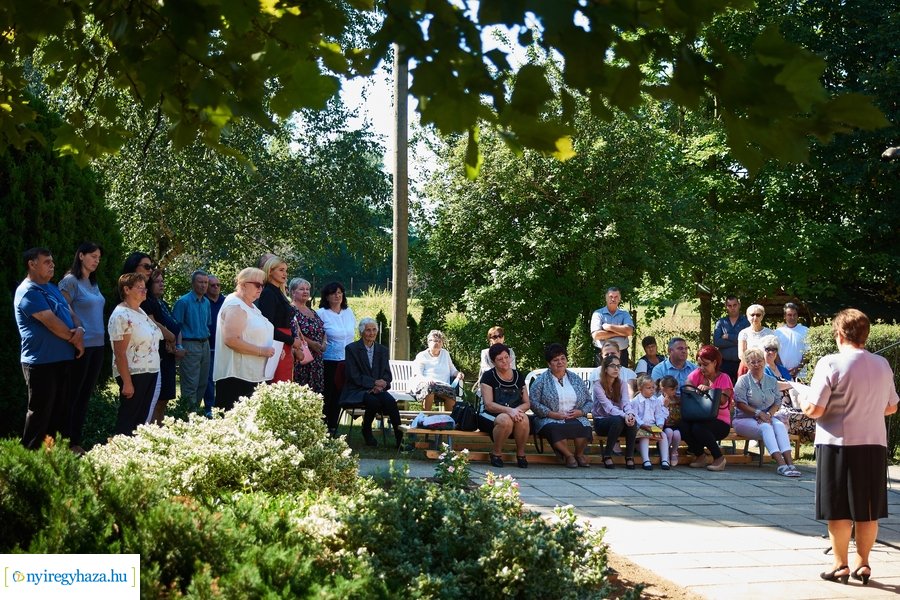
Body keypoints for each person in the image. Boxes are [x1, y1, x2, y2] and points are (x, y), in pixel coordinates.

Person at [801, 309, 898, 586]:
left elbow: (815, 409)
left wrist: (802, 399)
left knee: (839, 508)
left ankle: (840, 564)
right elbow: (891, 406)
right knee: (868, 509)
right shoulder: (882, 364)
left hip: (837, 444)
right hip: (873, 444)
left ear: (840, 334)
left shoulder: (830, 363)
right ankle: (864, 563)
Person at [14, 247, 84, 449]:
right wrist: (76, 339)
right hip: (41, 362)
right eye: (47, 261)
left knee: (59, 413)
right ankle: (31, 459)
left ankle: (53, 458)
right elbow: (51, 322)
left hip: (62, 359)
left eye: (52, 261)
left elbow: (71, 313)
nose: (52, 265)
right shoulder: (28, 291)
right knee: (40, 413)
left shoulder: (52, 288)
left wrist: (79, 329)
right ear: (32, 264)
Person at [58, 242, 105, 453]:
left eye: (99, 258)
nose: (96, 260)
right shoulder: (70, 281)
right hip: (81, 347)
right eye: (93, 256)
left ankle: (76, 442)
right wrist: (76, 324)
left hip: (98, 346)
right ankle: (64, 443)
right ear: (81, 256)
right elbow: (62, 307)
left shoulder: (93, 283)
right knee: (72, 395)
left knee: (85, 396)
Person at [213, 268, 275, 411]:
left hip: (253, 375)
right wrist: (262, 351)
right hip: (237, 377)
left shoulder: (251, 306)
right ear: (243, 284)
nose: (261, 289)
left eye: (262, 285)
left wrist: (273, 350)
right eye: (257, 285)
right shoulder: (235, 305)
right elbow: (231, 340)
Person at [108, 273, 162, 435]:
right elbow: (119, 353)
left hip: (150, 371)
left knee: (140, 420)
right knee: (128, 418)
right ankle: (118, 453)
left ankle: (134, 454)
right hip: (133, 374)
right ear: (127, 289)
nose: (145, 291)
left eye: (145, 287)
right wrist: (127, 382)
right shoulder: (121, 315)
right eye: (140, 288)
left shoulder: (140, 311)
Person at [732, 347, 800, 477]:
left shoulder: (772, 380)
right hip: (743, 419)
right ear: (747, 364)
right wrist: (758, 413)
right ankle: (781, 465)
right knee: (766, 427)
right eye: (753, 362)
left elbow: (777, 402)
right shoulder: (743, 381)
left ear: (764, 362)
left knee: (779, 425)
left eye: (759, 361)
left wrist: (768, 414)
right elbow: (740, 404)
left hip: (766, 416)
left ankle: (790, 464)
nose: (757, 365)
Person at [529, 343, 593, 468]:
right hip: (549, 417)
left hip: (575, 416)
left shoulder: (575, 379)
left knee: (585, 426)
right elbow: (533, 402)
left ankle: (579, 455)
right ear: (549, 364)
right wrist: (552, 414)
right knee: (555, 429)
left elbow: (589, 401)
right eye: (555, 360)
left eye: (563, 358)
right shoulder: (541, 381)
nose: (560, 362)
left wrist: (580, 412)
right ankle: (568, 455)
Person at [341, 318, 403, 448]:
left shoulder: (383, 350)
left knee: (391, 402)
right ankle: (367, 430)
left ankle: (400, 440)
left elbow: (387, 373)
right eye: (368, 330)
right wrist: (374, 383)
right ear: (362, 332)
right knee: (373, 401)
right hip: (357, 389)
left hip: (378, 389)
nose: (372, 333)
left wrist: (383, 384)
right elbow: (353, 375)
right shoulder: (351, 349)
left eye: (374, 329)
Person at [478, 343, 529, 468]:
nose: (505, 361)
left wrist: (515, 411)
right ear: (493, 362)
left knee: (524, 419)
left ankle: (521, 454)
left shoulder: (518, 375)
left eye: (506, 357)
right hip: (489, 414)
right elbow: (489, 405)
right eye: (500, 359)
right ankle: (496, 453)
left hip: (513, 412)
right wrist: (510, 411)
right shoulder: (488, 376)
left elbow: (527, 403)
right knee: (505, 420)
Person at [682, 345, 733, 471]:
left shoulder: (724, 378)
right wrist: (695, 389)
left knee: (699, 428)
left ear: (715, 363)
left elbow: (723, 400)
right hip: (699, 417)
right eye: (699, 364)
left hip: (720, 421)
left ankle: (719, 458)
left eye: (705, 364)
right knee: (682, 425)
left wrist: (710, 390)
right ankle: (700, 456)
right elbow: (687, 387)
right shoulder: (697, 373)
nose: (701, 368)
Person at [142, 269, 182, 424]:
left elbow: (174, 326)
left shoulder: (163, 304)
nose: (162, 284)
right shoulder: (148, 303)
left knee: (165, 398)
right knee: (157, 399)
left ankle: (159, 430)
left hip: (169, 355)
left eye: (162, 281)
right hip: (158, 353)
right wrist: (170, 338)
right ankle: (151, 430)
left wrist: (176, 343)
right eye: (157, 281)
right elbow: (155, 326)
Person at [317, 281, 356, 436]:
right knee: (328, 394)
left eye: (340, 292)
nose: (337, 296)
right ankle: (324, 426)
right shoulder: (321, 313)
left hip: (346, 360)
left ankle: (334, 426)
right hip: (329, 360)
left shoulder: (348, 312)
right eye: (333, 293)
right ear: (327, 296)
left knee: (340, 394)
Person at [256, 256, 302, 383]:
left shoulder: (278, 291)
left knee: (285, 379)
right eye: (281, 270)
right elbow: (268, 326)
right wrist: (291, 340)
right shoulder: (268, 293)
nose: (285, 274)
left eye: (286, 270)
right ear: (270, 271)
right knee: (278, 381)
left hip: (284, 342)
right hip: (276, 343)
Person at [172, 270, 211, 414]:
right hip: (190, 344)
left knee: (203, 382)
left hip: (204, 344)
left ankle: (193, 413)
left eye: (205, 282)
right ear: (193, 283)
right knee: (190, 384)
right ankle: (187, 415)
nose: (203, 285)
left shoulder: (206, 302)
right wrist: (179, 346)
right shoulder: (183, 302)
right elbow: (176, 327)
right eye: (200, 282)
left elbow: (207, 324)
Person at [592, 354, 637, 469]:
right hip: (601, 422)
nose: (616, 369)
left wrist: (630, 414)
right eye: (613, 366)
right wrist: (624, 415)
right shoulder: (598, 385)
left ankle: (629, 457)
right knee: (618, 420)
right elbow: (608, 408)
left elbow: (626, 403)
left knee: (632, 421)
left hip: (618, 421)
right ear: (605, 369)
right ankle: (607, 456)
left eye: (618, 366)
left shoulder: (622, 384)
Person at [411, 330, 464, 411]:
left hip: (443, 386)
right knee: (429, 388)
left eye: (440, 341)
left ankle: (449, 420)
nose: (437, 343)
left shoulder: (445, 354)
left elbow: (453, 370)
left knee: (451, 392)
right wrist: (426, 380)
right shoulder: (422, 356)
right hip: (426, 384)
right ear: (428, 342)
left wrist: (458, 374)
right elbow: (418, 374)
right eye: (435, 341)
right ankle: (426, 418)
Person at [289, 278, 326, 393]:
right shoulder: (291, 310)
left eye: (307, 289)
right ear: (293, 292)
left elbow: (322, 330)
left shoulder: (312, 311)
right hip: (302, 357)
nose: (305, 292)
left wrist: (324, 343)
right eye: (301, 289)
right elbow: (293, 332)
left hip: (317, 360)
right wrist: (311, 343)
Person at [632, 374, 670, 470]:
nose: (652, 390)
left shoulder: (656, 401)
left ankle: (665, 460)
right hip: (640, 427)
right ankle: (646, 460)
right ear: (640, 389)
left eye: (653, 387)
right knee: (645, 437)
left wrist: (660, 424)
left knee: (664, 435)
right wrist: (642, 424)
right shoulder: (635, 401)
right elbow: (634, 415)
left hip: (652, 426)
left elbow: (658, 414)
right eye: (649, 388)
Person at [590, 287, 635, 367]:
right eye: (611, 297)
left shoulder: (625, 314)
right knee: (602, 378)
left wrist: (609, 327)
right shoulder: (598, 314)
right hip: (602, 354)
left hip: (622, 354)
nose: (613, 299)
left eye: (616, 297)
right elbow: (596, 335)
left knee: (622, 378)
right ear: (606, 298)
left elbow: (629, 331)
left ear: (619, 299)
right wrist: (620, 332)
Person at [713, 295, 750, 383]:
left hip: (742, 363)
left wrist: (729, 336)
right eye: (729, 306)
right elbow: (717, 342)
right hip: (724, 363)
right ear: (726, 307)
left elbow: (748, 340)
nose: (732, 308)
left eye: (735, 305)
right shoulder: (721, 323)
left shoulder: (746, 322)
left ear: (739, 305)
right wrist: (740, 341)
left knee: (741, 391)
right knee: (723, 390)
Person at [203, 274, 225, 413]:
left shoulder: (226, 301)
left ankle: (222, 406)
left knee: (223, 377)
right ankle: (209, 408)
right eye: (212, 285)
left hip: (224, 346)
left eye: (218, 285)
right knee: (209, 379)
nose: (216, 287)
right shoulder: (203, 301)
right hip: (208, 346)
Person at [474, 326, 516, 397]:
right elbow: (485, 370)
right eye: (495, 337)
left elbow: (513, 369)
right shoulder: (485, 353)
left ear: (503, 338)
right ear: (490, 339)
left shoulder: (510, 352)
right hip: (489, 384)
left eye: (500, 336)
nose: (498, 339)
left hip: (507, 384)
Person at [737, 303, 773, 375]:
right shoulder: (743, 333)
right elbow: (741, 354)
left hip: (766, 369)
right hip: (747, 368)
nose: (755, 317)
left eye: (758, 315)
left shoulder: (770, 333)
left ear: (762, 316)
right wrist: (752, 367)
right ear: (747, 317)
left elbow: (772, 353)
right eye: (752, 315)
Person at [774, 302, 809, 378]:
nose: (792, 317)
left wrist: (798, 369)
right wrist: (783, 370)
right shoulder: (778, 332)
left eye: (794, 315)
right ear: (784, 316)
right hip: (781, 373)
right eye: (789, 315)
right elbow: (775, 353)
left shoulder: (806, 331)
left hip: (801, 375)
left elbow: (808, 353)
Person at [659, 376, 682, 466]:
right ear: (663, 389)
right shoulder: (658, 401)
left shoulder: (677, 400)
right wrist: (665, 406)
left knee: (677, 434)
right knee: (668, 432)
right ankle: (665, 453)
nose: (675, 392)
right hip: (664, 426)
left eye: (676, 389)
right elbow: (659, 416)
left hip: (675, 425)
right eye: (672, 389)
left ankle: (673, 452)